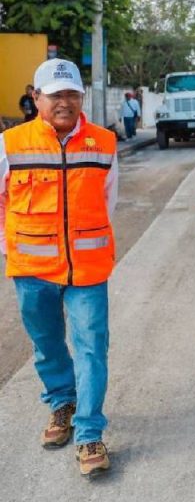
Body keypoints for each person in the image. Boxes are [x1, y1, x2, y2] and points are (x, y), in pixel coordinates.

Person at [0, 59, 119, 476]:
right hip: (31, 268)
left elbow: (109, 200)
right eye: (55, 94)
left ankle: (89, 434)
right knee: (47, 344)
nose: (64, 102)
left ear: (81, 97)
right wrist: (9, 249)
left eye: (72, 94)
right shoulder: (10, 143)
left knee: (91, 348)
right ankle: (61, 402)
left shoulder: (103, 142)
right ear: (36, 98)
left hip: (87, 269)